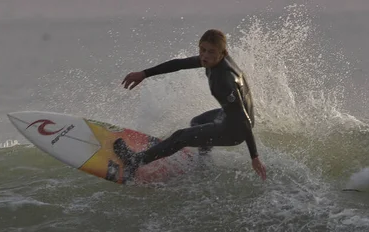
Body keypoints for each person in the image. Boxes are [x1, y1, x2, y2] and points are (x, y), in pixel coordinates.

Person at [113, 29, 267, 181]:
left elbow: (243, 119)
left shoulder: (224, 80)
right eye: (202, 49)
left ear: (223, 53)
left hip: (236, 129)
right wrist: (144, 74)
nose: (205, 55)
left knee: (181, 136)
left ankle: (135, 161)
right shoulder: (212, 61)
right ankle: (204, 163)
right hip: (229, 115)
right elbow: (179, 64)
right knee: (197, 122)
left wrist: (254, 157)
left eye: (211, 52)